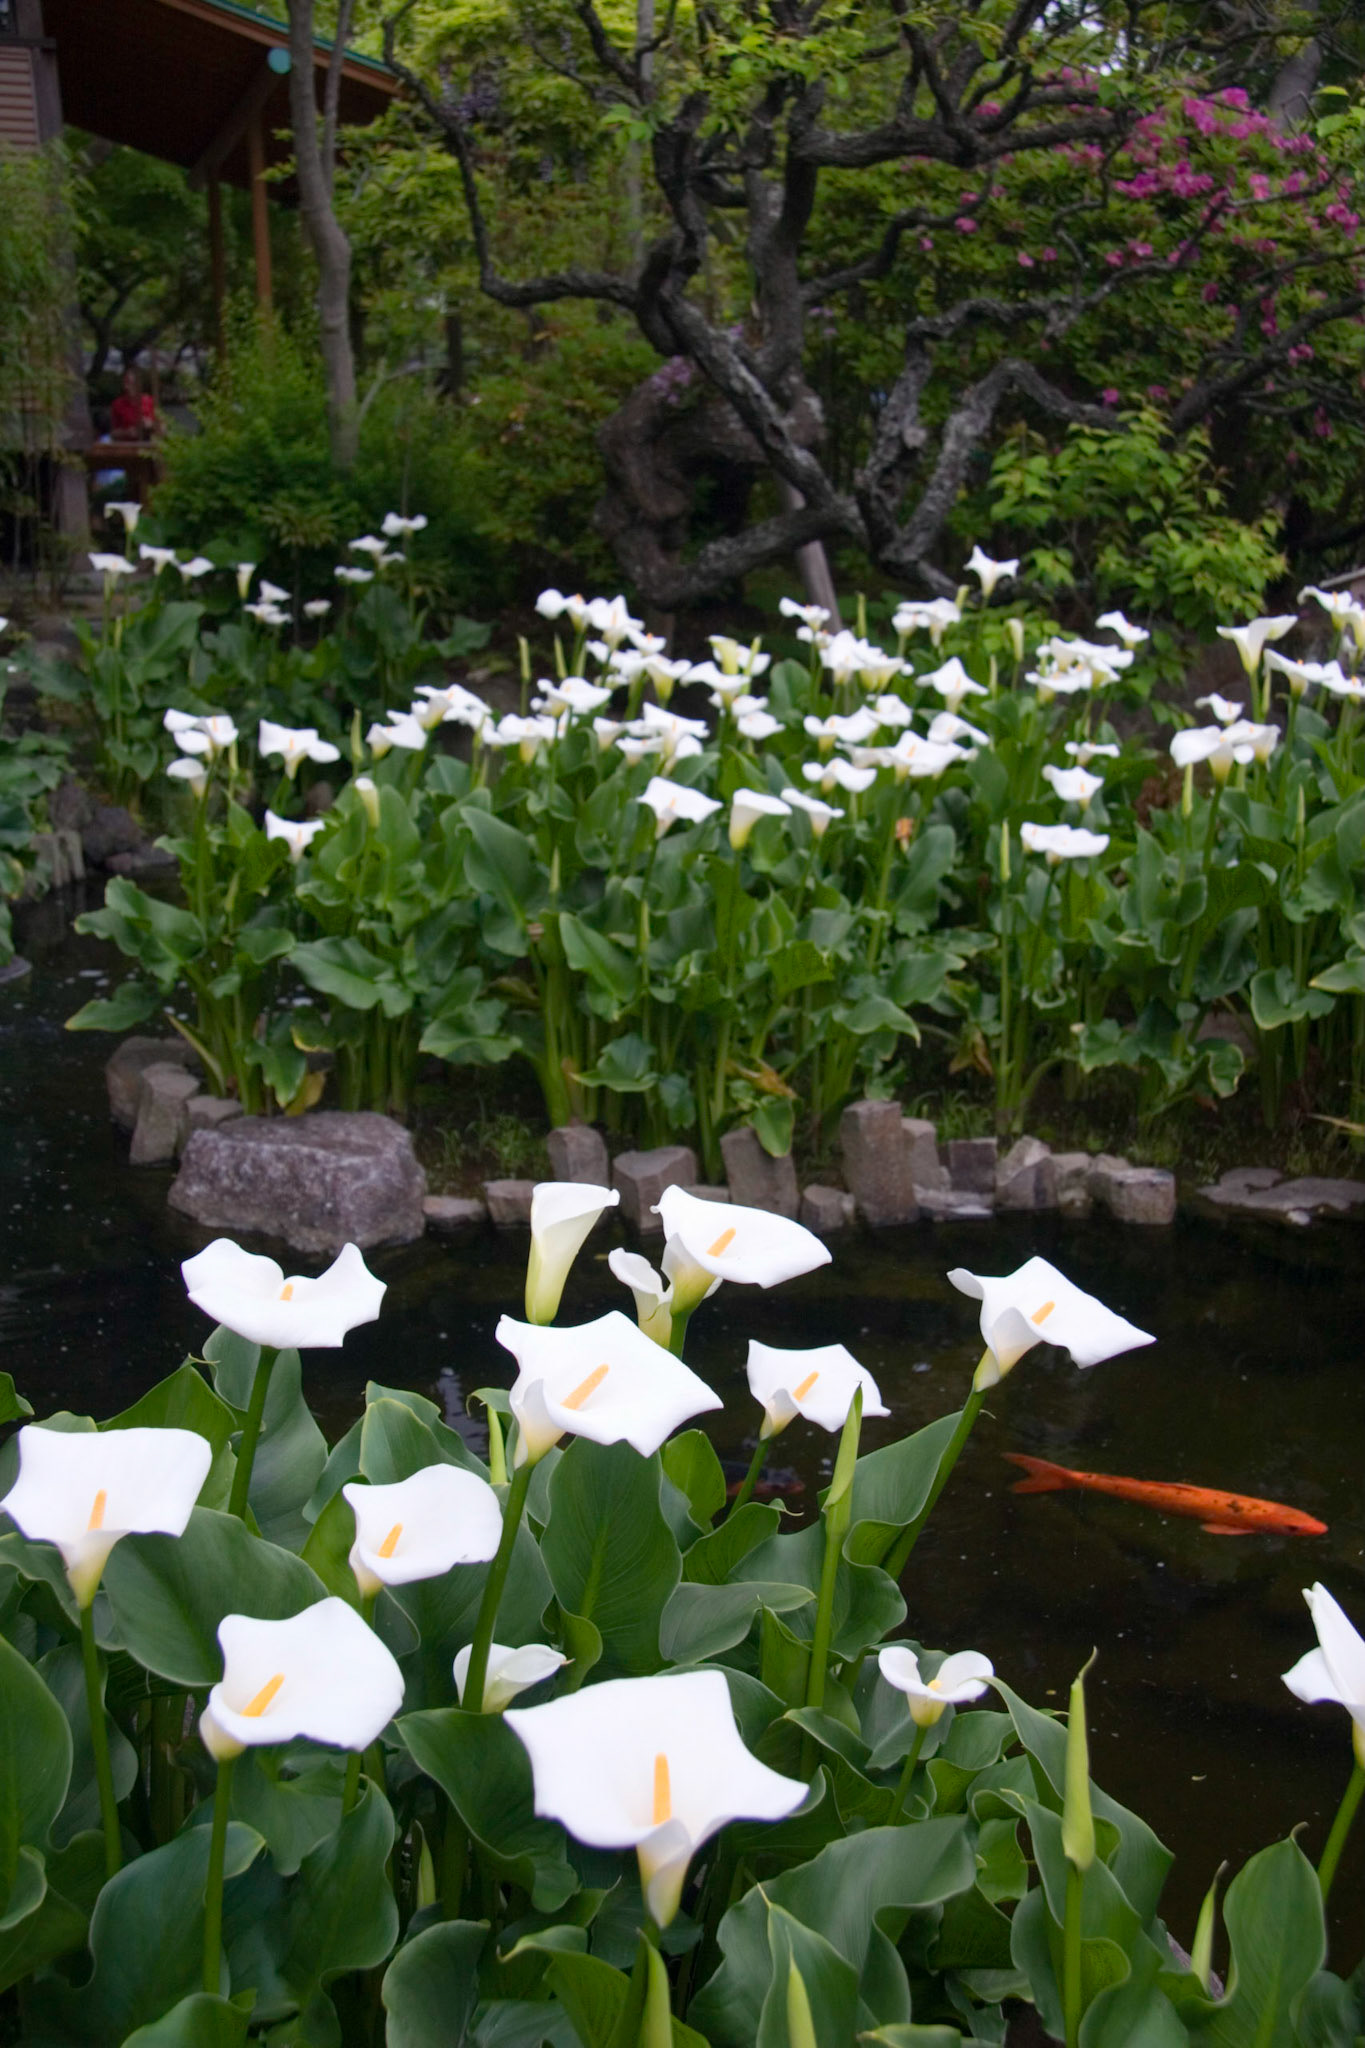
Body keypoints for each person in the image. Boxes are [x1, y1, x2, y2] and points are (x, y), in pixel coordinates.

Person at [109, 367, 158, 441]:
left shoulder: (149, 401)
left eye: (129, 383)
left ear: (138, 385)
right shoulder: (117, 404)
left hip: (148, 444)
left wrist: (151, 424)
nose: (126, 387)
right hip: (128, 446)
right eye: (125, 383)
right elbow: (112, 433)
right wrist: (126, 432)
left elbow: (164, 429)